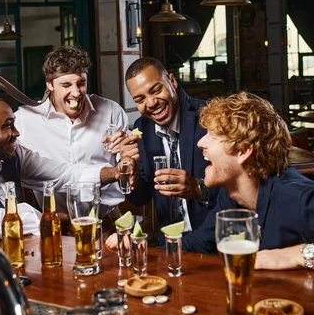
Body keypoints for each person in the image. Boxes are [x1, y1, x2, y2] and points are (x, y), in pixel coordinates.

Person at [0, 45, 129, 236]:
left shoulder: (111, 111)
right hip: (54, 225)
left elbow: (128, 165)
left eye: (81, 83)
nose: (76, 92)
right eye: (66, 85)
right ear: (50, 85)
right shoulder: (25, 120)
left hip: (106, 222)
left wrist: (128, 158)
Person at [0, 95, 121, 241]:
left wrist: (114, 172)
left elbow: (64, 174)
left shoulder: (13, 155)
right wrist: (45, 218)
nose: (16, 132)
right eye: (7, 126)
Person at [181, 92, 314, 270]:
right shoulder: (231, 194)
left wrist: (298, 253)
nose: (200, 143)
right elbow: (199, 243)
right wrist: (140, 247)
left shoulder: (297, 199)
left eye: (213, 136)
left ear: (243, 151)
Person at [118, 57, 219, 243]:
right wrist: (128, 172)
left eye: (156, 90)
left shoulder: (210, 118)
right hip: (168, 244)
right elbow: (140, 199)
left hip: (214, 242)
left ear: (172, 81)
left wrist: (198, 188)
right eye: (140, 99)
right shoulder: (142, 128)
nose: (150, 103)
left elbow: (236, 187)